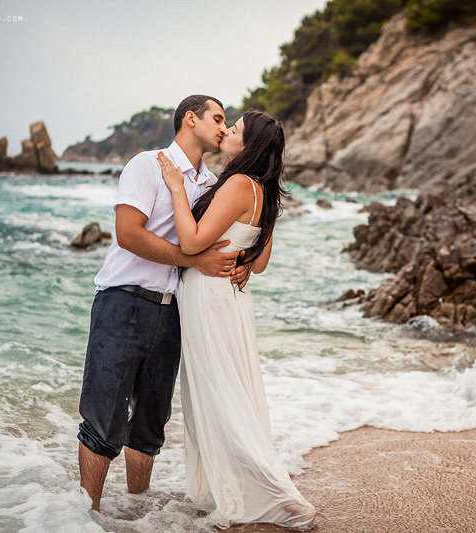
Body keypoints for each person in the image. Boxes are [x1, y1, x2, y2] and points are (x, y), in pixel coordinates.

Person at [77, 95, 252, 512]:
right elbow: (128, 234)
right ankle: (85, 518)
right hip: (122, 303)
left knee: (150, 427)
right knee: (104, 420)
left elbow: (227, 236)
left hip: (172, 312)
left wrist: (243, 262)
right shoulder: (147, 163)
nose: (224, 128)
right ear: (190, 119)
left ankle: (136, 513)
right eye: (217, 118)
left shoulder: (211, 185)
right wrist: (193, 259)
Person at [156, 110, 318, 531]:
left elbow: (192, 241)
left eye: (237, 130)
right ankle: (239, 485)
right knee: (228, 391)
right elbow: (259, 263)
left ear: (248, 146)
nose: (228, 131)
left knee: (219, 394)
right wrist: (241, 258)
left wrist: (176, 188)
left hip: (210, 298)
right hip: (232, 299)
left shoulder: (236, 184)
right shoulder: (263, 192)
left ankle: (273, 494)